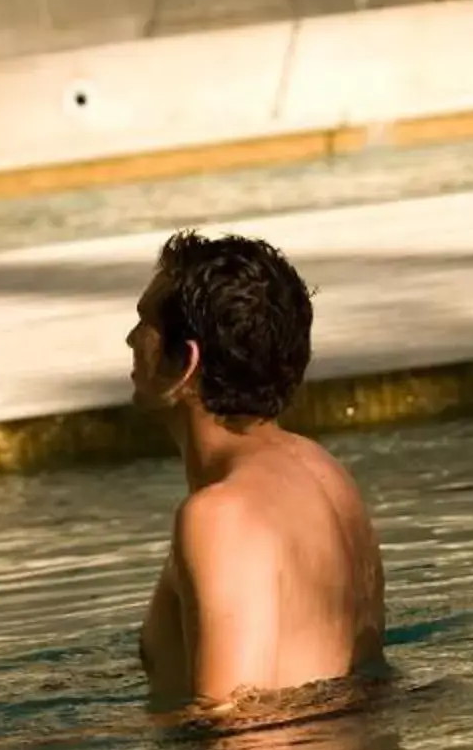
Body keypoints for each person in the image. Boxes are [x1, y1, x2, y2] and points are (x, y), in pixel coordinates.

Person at [131, 232, 386, 722]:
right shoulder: (326, 473)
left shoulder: (221, 515)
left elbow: (233, 730)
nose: (130, 338)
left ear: (185, 363)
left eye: (144, 322)